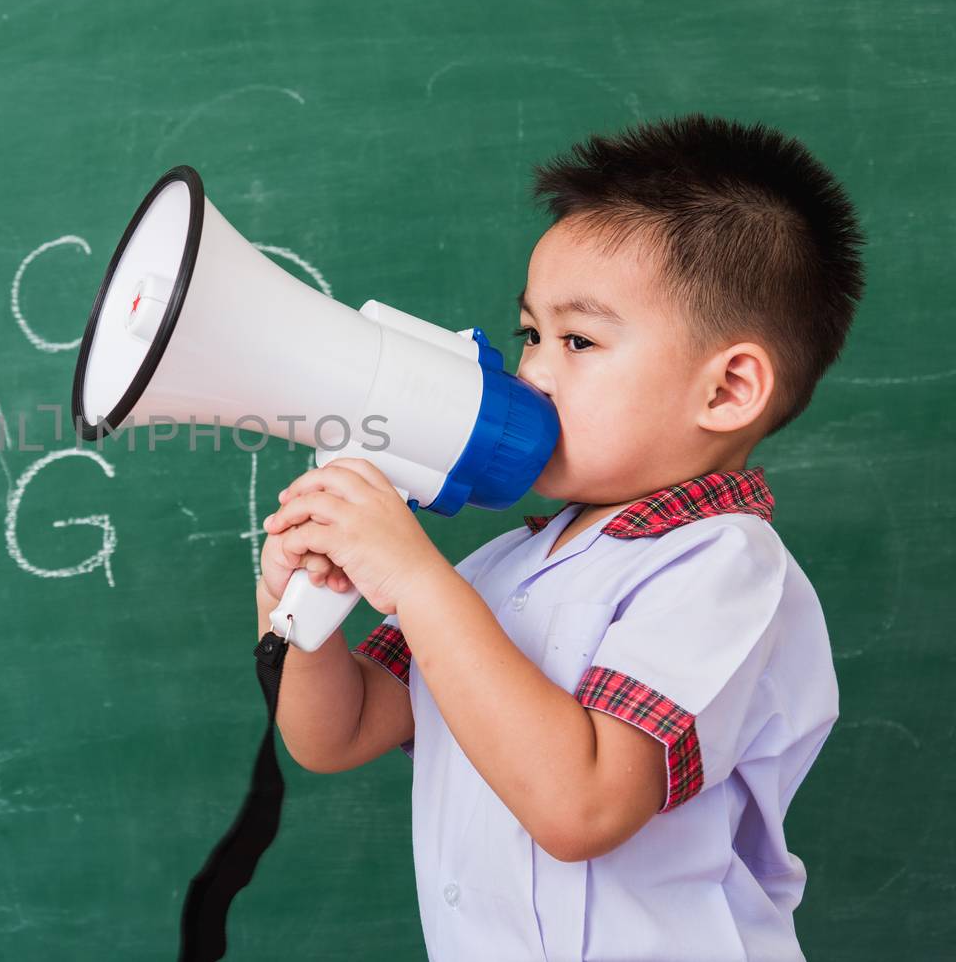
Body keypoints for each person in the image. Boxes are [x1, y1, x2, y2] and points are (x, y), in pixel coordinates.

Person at [254, 113, 865, 961]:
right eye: (531, 334)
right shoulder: (508, 565)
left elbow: (582, 807)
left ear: (728, 391)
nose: (533, 372)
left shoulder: (724, 566)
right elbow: (339, 732)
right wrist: (298, 601)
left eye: (578, 340)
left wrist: (420, 583)